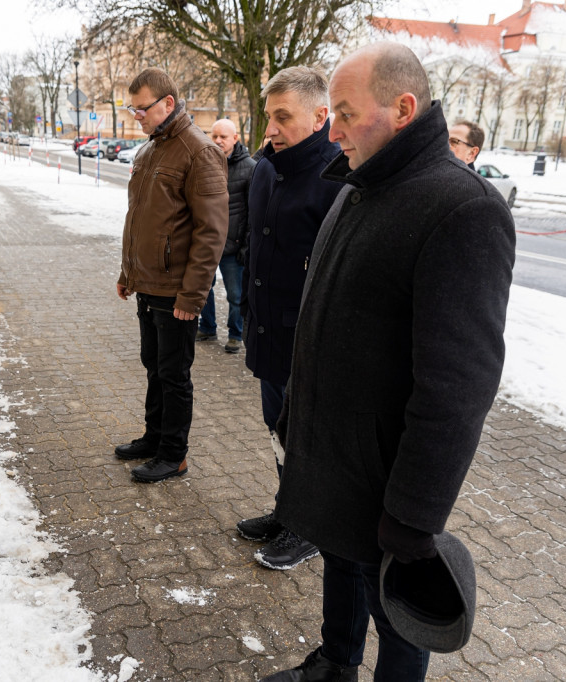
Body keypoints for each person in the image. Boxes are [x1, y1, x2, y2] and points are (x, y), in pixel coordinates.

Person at [260, 43, 514, 681]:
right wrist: (297, 415)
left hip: (388, 478)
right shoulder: (358, 185)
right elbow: (323, 319)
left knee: (397, 609)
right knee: (338, 567)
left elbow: (457, 388)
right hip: (332, 452)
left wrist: (414, 516)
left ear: (402, 109)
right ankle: (334, 663)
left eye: (344, 111)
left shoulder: (463, 209)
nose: (333, 127)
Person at [236, 66, 344, 570]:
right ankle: (286, 511)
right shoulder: (264, 169)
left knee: (306, 443)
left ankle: (308, 529)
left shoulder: (338, 180)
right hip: (268, 334)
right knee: (276, 431)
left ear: (321, 116)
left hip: (311, 347)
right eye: (268, 115)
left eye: (284, 117)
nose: (271, 128)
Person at [114, 68, 229, 483]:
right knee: (154, 366)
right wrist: (129, 271)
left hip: (177, 290)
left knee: (174, 374)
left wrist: (192, 296)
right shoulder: (149, 151)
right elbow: (139, 218)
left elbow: (212, 232)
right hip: (148, 284)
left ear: (167, 103)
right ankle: (154, 437)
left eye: (141, 108)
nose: (135, 116)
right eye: (132, 108)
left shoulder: (199, 151)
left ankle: (173, 454)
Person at [198, 119, 256, 354]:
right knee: (203, 288)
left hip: (234, 245)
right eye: (215, 136)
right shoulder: (204, 164)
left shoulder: (250, 167)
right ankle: (208, 327)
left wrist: (245, 245)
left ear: (235, 139)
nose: (219, 141)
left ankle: (234, 334)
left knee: (235, 294)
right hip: (208, 243)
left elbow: (253, 211)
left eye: (224, 136)